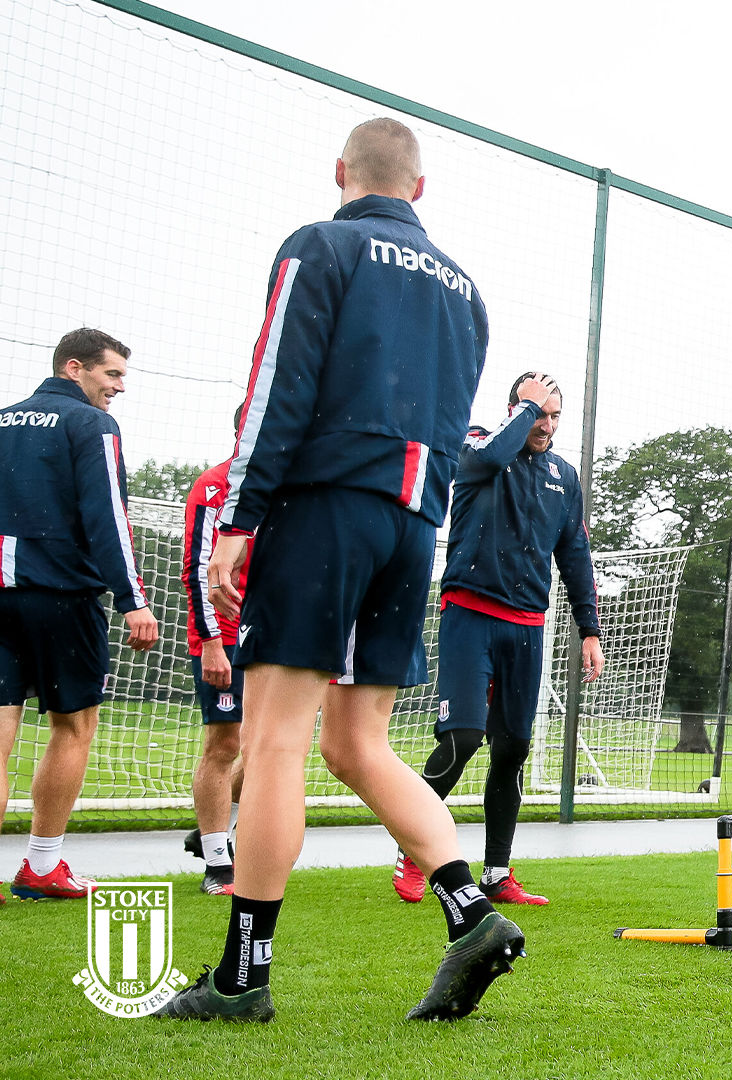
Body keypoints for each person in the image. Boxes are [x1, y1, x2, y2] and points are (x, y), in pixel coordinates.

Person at [159, 119, 514, 1023]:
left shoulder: (321, 244)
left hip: (324, 509)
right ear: (421, 191)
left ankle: (242, 980)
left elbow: (277, 385)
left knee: (274, 740)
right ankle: (469, 910)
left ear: (341, 173)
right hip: (412, 525)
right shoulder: (468, 291)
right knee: (358, 744)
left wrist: (236, 521)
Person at [391, 372, 602, 907]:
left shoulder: (563, 475)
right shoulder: (480, 441)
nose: (546, 426)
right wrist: (525, 411)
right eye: (537, 412)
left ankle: (497, 873)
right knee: (462, 739)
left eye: (555, 416)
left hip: (528, 627)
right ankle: (414, 852)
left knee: (513, 750)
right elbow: (485, 461)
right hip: (470, 616)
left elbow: (574, 555)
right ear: (515, 409)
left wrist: (589, 629)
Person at [0, 328, 160, 900]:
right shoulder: (91, 424)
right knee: (73, 728)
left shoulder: (2, 419)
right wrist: (133, 600)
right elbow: (107, 517)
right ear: (76, 368)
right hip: (61, 599)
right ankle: (42, 866)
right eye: (112, 374)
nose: (119, 387)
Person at [181, 404, 253, 896]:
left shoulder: (289, 488)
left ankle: (207, 830)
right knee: (224, 745)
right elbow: (198, 569)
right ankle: (217, 864)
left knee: (270, 748)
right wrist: (210, 644)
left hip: (269, 637)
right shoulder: (214, 486)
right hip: (222, 636)